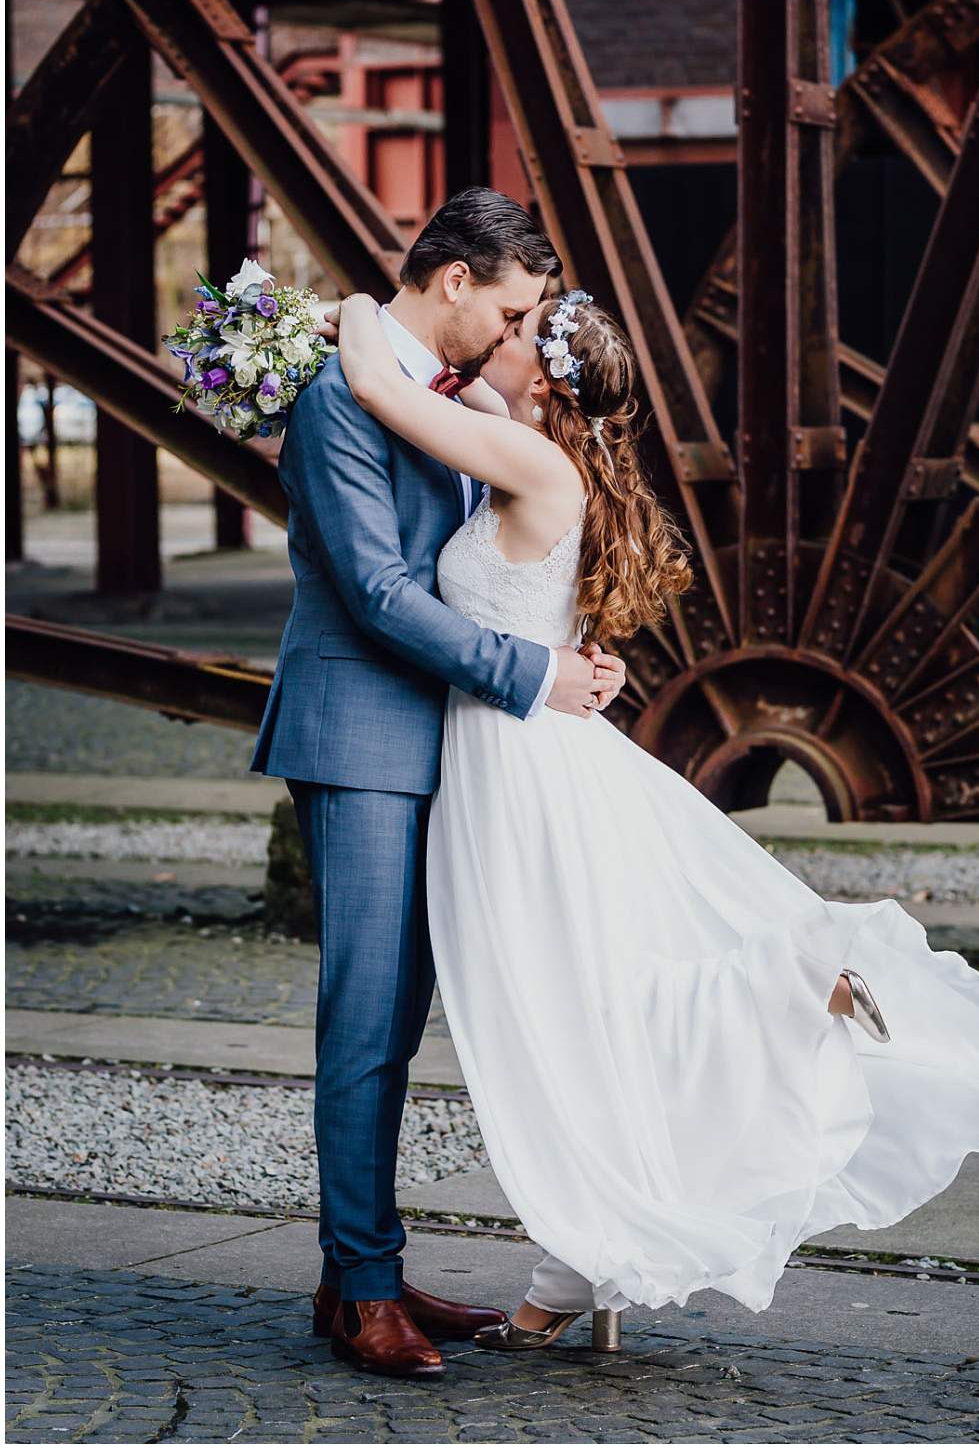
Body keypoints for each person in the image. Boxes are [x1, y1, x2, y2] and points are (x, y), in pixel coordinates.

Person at [319, 276, 979, 1356]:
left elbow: (377, 389)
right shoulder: (538, 444)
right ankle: (571, 1269)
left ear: (545, 374)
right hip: (535, 749)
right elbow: (452, 404)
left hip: (518, 769)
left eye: (524, 329)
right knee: (586, 1008)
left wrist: (348, 305)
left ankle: (786, 992)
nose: (505, 331)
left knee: (565, 1015)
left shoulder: (532, 461)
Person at [248, 188, 629, 1380]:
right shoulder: (336, 400)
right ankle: (365, 1288)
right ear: (455, 280)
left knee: (400, 1025)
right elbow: (375, 593)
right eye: (511, 305)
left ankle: (354, 1267)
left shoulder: (440, 398)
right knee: (363, 1024)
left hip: (446, 742)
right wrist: (534, 674)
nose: (519, 328)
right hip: (359, 731)